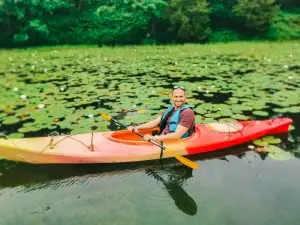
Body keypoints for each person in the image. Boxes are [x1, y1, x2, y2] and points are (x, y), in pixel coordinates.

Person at [127, 86, 195, 142]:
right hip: (162, 138)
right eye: (176, 96)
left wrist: (155, 138)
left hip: (175, 142)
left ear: (185, 97)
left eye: (181, 96)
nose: (178, 99)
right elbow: (155, 122)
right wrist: (136, 127)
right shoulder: (171, 108)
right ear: (171, 97)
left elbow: (177, 135)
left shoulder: (187, 113)